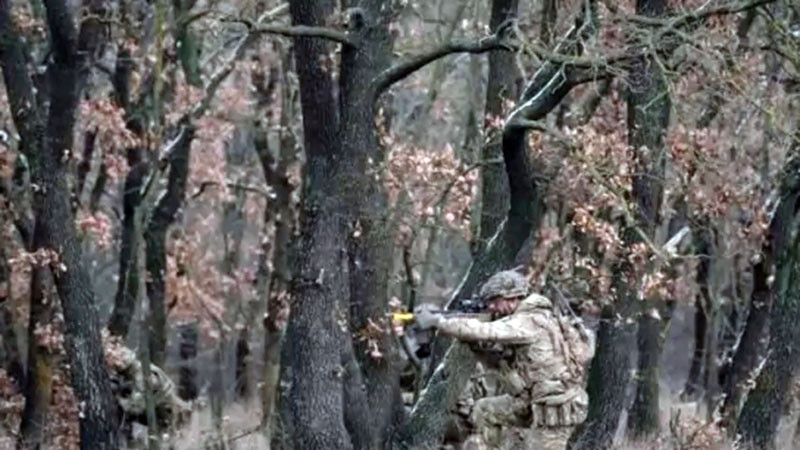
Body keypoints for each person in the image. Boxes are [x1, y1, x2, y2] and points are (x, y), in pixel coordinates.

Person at [414, 270, 595, 450]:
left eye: (495, 301)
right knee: (484, 411)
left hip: (555, 409)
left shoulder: (530, 320)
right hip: (532, 402)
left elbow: (487, 331)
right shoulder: (530, 318)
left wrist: (438, 321)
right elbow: (497, 357)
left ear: (511, 298)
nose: (491, 307)